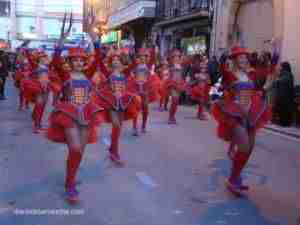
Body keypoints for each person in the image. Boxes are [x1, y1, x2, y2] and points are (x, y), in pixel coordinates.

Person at [46, 13, 104, 204]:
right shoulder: (65, 75)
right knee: (75, 147)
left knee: (80, 151)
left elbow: (98, 61)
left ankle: (69, 179)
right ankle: (70, 184)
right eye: (75, 60)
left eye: (81, 59)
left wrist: (95, 38)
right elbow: (55, 62)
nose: (78, 62)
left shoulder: (87, 75)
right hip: (69, 114)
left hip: (87, 113)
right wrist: (60, 43)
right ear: (70, 62)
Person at [212, 46, 271, 196]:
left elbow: (265, 72)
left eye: (245, 57)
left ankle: (234, 177)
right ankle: (233, 179)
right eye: (240, 57)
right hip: (235, 113)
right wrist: (223, 57)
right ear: (235, 60)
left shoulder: (251, 74)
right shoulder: (230, 75)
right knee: (244, 145)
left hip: (250, 113)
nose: (244, 59)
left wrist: (273, 57)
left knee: (249, 147)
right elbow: (222, 71)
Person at [273, 62, 295, 127]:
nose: (280, 67)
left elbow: (280, 82)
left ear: (283, 67)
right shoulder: (286, 74)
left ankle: (284, 123)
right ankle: (284, 122)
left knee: (284, 109)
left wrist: (277, 80)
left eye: (281, 66)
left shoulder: (287, 74)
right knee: (284, 109)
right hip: (284, 95)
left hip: (284, 96)